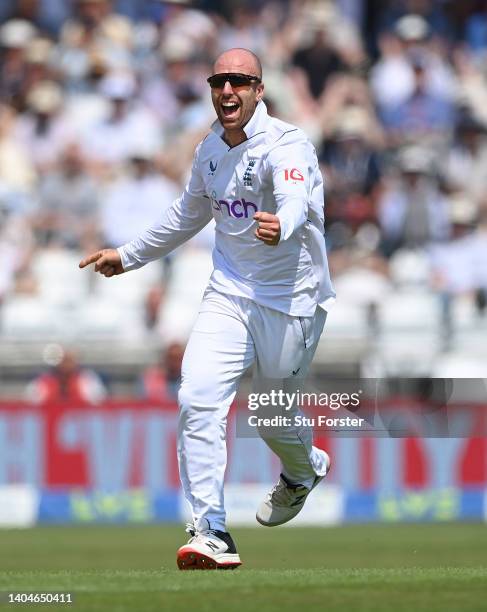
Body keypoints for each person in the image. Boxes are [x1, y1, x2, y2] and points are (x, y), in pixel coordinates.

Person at [79, 48, 335, 570]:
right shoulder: (210, 151)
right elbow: (188, 213)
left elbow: (294, 199)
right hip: (230, 293)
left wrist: (281, 226)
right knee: (196, 396)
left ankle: (304, 469)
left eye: (239, 81)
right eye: (219, 81)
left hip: (291, 299)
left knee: (270, 417)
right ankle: (210, 529)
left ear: (258, 89)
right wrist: (127, 256)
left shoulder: (287, 143)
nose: (227, 91)